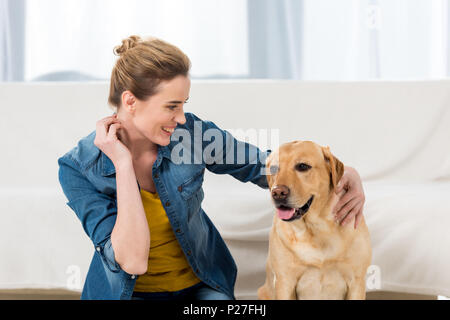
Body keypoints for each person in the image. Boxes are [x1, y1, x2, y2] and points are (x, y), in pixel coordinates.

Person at [57, 35, 366, 300]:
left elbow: (261, 165)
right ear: (131, 101)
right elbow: (132, 261)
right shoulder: (78, 169)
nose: (180, 118)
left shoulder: (191, 134)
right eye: (172, 106)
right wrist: (123, 165)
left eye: (183, 105)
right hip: (129, 293)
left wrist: (342, 173)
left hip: (199, 290)